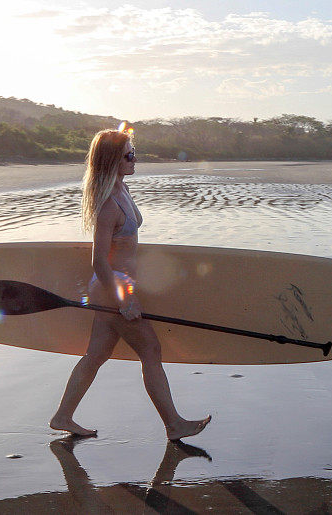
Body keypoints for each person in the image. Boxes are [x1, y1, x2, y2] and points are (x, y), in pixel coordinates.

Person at [50, 123, 211, 440]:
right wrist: (123, 301)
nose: (135, 160)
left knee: (96, 356)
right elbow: (98, 260)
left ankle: (63, 416)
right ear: (113, 161)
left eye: (134, 154)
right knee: (150, 350)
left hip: (113, 287)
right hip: (113, 288)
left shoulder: (122, 188)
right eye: (129, 156)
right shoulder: (108, 204)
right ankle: (174, 424)